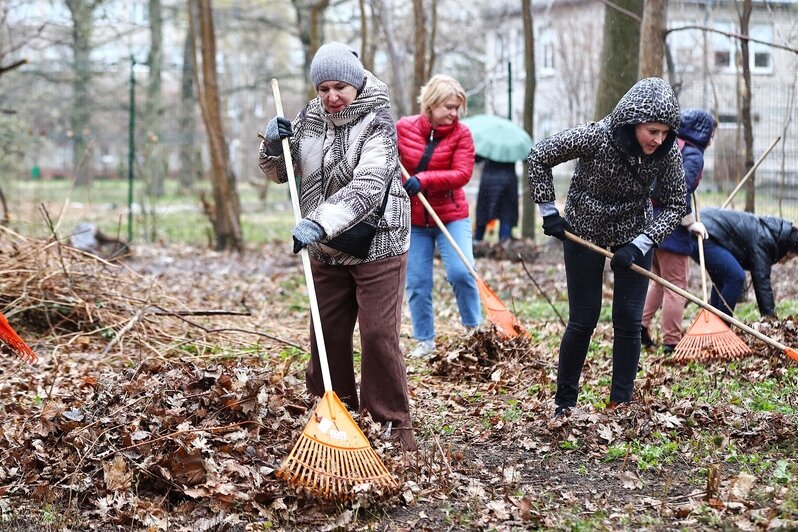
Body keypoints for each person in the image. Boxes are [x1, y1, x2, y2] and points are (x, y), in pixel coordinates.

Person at [258, 42, 416, 450]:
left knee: (378, 334)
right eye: (323, 88)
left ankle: (391, 425)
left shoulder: (378, 121)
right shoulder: (310, 117)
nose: (331, 97)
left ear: (357, 83)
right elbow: (282, 174)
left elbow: (369, 186)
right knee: (326, 334)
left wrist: (319, 222)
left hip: (378, 240)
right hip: (325, 248)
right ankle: (335, 416)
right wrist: (273, 147)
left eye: (340, 87)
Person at [528, 77, 686, 416]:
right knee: (583, 319)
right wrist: (549, 211)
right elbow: (539, 155)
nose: (658, 140)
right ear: (633, 122)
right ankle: (564, 404)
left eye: (664, 132)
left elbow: (676, 204)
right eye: (652, 131)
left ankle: (621, 403)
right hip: (584, 231)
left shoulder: (667, 153)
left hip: (635, 233)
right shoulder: (596, 136)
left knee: (628, 321)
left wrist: (640, 244)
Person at [396, 74, 482, 358]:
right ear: (431, 104)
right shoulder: (403, 128)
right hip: (414, 221)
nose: (454, 113)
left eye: (458, 107)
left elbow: (462, 174)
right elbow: (386, 159)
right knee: (418, 282)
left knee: (461, 271)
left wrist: (424, 179)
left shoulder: (462, 134)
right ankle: (425, 340)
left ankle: (474, 331)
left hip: (450, 216)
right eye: (449, 107)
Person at [641, 109, 716, 353]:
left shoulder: (671, 146)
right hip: (671, 227)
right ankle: (671, 341)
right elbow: (679, 190)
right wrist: (690, 222)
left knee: (658, 281)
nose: (712, 139)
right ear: (702, 132)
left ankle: (640, 326)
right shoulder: (692, 154)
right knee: (675, 286)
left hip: (651, 222)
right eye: (712, 133)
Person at [690, 208, 798, 318]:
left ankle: (715, 324)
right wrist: (769, 317)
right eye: (788, 258)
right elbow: (762, 281)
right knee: (735, 277)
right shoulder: (765, 239)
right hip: (702, 232)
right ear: (785, 248)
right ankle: (722, 324)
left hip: (704, 228)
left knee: (722, 279)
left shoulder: (770, 231)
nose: (784, 263)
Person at [474, 157, 519, 242]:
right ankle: (504, 243)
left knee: (483, 213)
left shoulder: (487, 147)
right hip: (508, 181)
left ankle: (477, 241)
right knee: (506, 215)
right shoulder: (514, 149)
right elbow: (525, 158)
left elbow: (477, 158)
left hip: (488, 181)